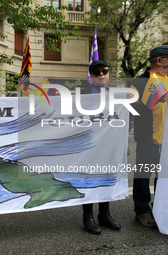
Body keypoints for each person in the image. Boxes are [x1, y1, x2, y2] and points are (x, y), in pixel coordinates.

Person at [129, 45, 168, 228]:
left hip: (166, 141)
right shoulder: (139, 82)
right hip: (147, 139)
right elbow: (130, 109)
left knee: (164, 177)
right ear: (160, 60)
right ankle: (142, 210)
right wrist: (151, 102)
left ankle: (159, 209)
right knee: (143, 175)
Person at [82, 60, 122, 235]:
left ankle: (104, 214)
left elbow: (121, 120)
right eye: (97, 72)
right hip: (89, 145)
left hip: (109, 145)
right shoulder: (83, 95)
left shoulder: (116, 95)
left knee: (106, 178)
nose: (101, 75)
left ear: (108, 74)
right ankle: (87, 216)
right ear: (91, 76)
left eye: (104, 71)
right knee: (89, 179)